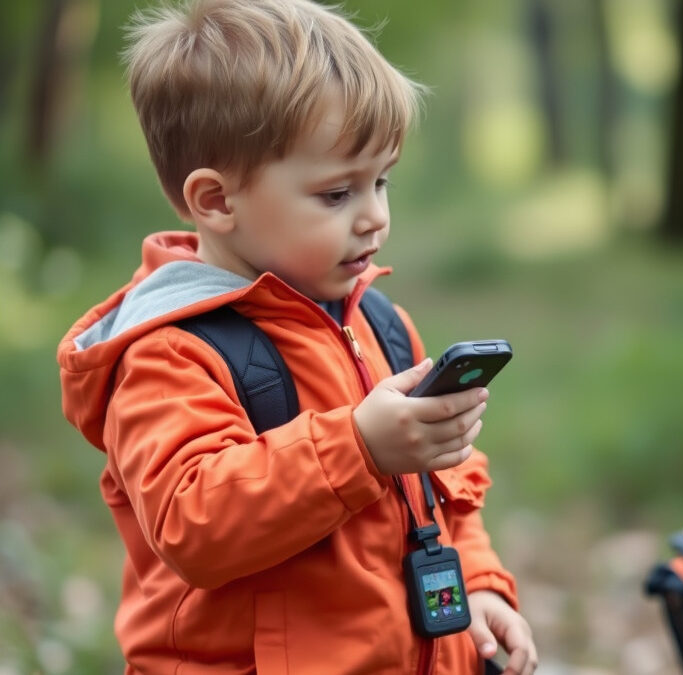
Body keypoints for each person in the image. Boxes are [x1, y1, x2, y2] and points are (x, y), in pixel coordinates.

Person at [56, 1, 537, 673]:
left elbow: (446, 488)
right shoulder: (170, 351)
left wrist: (481, 583)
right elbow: (194, 521)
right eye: (337, 194)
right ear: (217, 201)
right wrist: (360, 446)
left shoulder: (381, 327)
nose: (375, 216)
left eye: (381, 181)